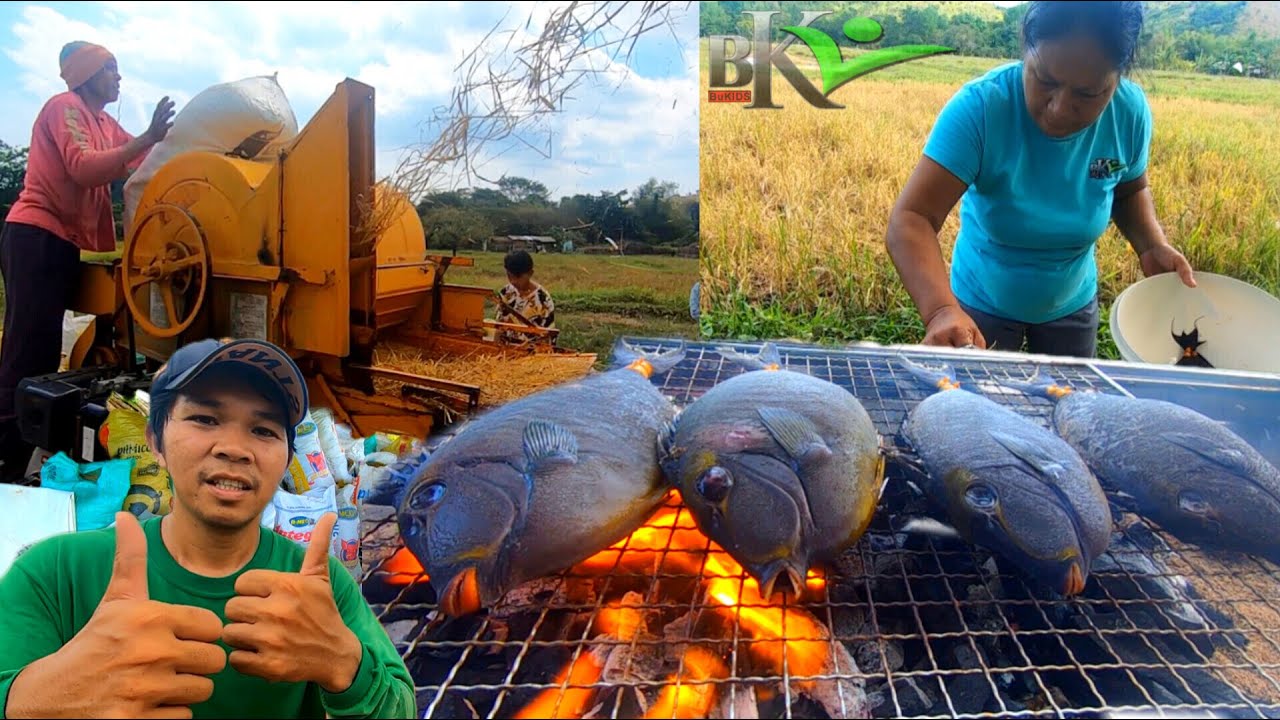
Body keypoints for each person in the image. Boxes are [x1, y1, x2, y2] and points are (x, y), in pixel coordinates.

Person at [0, 337, 418, 718]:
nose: (235, 449)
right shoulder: (55, 574)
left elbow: (400, 706)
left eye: (263, 429)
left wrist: (345, 665)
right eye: (204, 418)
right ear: (155, 441)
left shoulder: (317, 591)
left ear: (286, 458)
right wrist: (50, 698)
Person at [885, 1, 1196, 359]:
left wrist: (1151, 245)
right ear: (1025, 48)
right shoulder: (981, 108)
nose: (1059, 108)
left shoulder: (1128, 113)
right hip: (982, 303)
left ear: (1118, 77)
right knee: (981, 396)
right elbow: (912, 218)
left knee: (1067, 393)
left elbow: (1129, 190)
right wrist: (942, 311)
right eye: (1045, 80)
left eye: (1088, 94)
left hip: (1073, 305)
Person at [0, 41, 177, 482]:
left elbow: (143, 159)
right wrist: (148, 136)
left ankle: (32, 445)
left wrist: (184, 149)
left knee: (43, 349)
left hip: (61, 241)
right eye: (110, 68)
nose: (118, 77)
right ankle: (7, 454)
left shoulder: (102, 122)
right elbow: (83, 167)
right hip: (34, 235)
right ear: (86, 74)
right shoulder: (65, 108)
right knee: (27, 347)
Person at [495, 249, 558, 345]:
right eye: (509, 276)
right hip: (506, 350)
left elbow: (547, 337)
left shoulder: (543, 300)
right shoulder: (506, 293)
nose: (513, 281)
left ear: (530, 273)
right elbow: (499, 327)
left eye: (518, 277)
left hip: (532, 352)